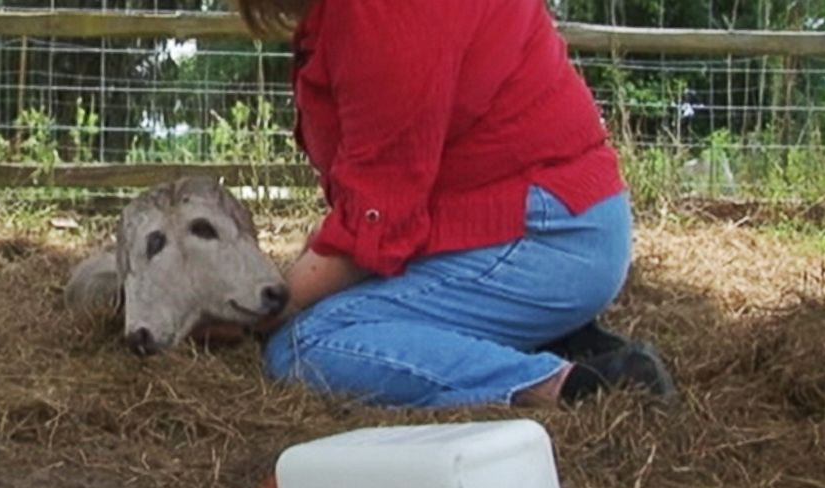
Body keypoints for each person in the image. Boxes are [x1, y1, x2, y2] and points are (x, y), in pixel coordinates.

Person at [233, 0, 676, 408]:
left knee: (302, 346)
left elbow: (376, 222)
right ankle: (541, 333)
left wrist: (261, 310)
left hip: (547, 236)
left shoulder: (385, 12)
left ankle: (572, 384)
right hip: (552, 219)